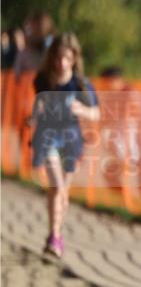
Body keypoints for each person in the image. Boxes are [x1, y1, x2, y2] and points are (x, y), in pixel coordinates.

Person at [28, 33, 100, 258]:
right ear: (52, 57)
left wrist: (82, 110)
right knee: (57, 186)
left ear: (74, 59)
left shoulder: (81, 84)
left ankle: (55, 234)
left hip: (71, 139)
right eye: (58, 58)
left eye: (67, 58)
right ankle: (54, 236)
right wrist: (35, 116)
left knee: (62, 191)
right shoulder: (43, 80)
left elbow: (96, 113)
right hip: (48, 136)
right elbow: (38, 106)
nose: (62, 63)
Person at [14, 12, 55, 78]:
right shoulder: (24, 53)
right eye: (28, 30)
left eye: (36, 28)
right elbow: (17, 74)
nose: (29, 33)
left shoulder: (53, 49)